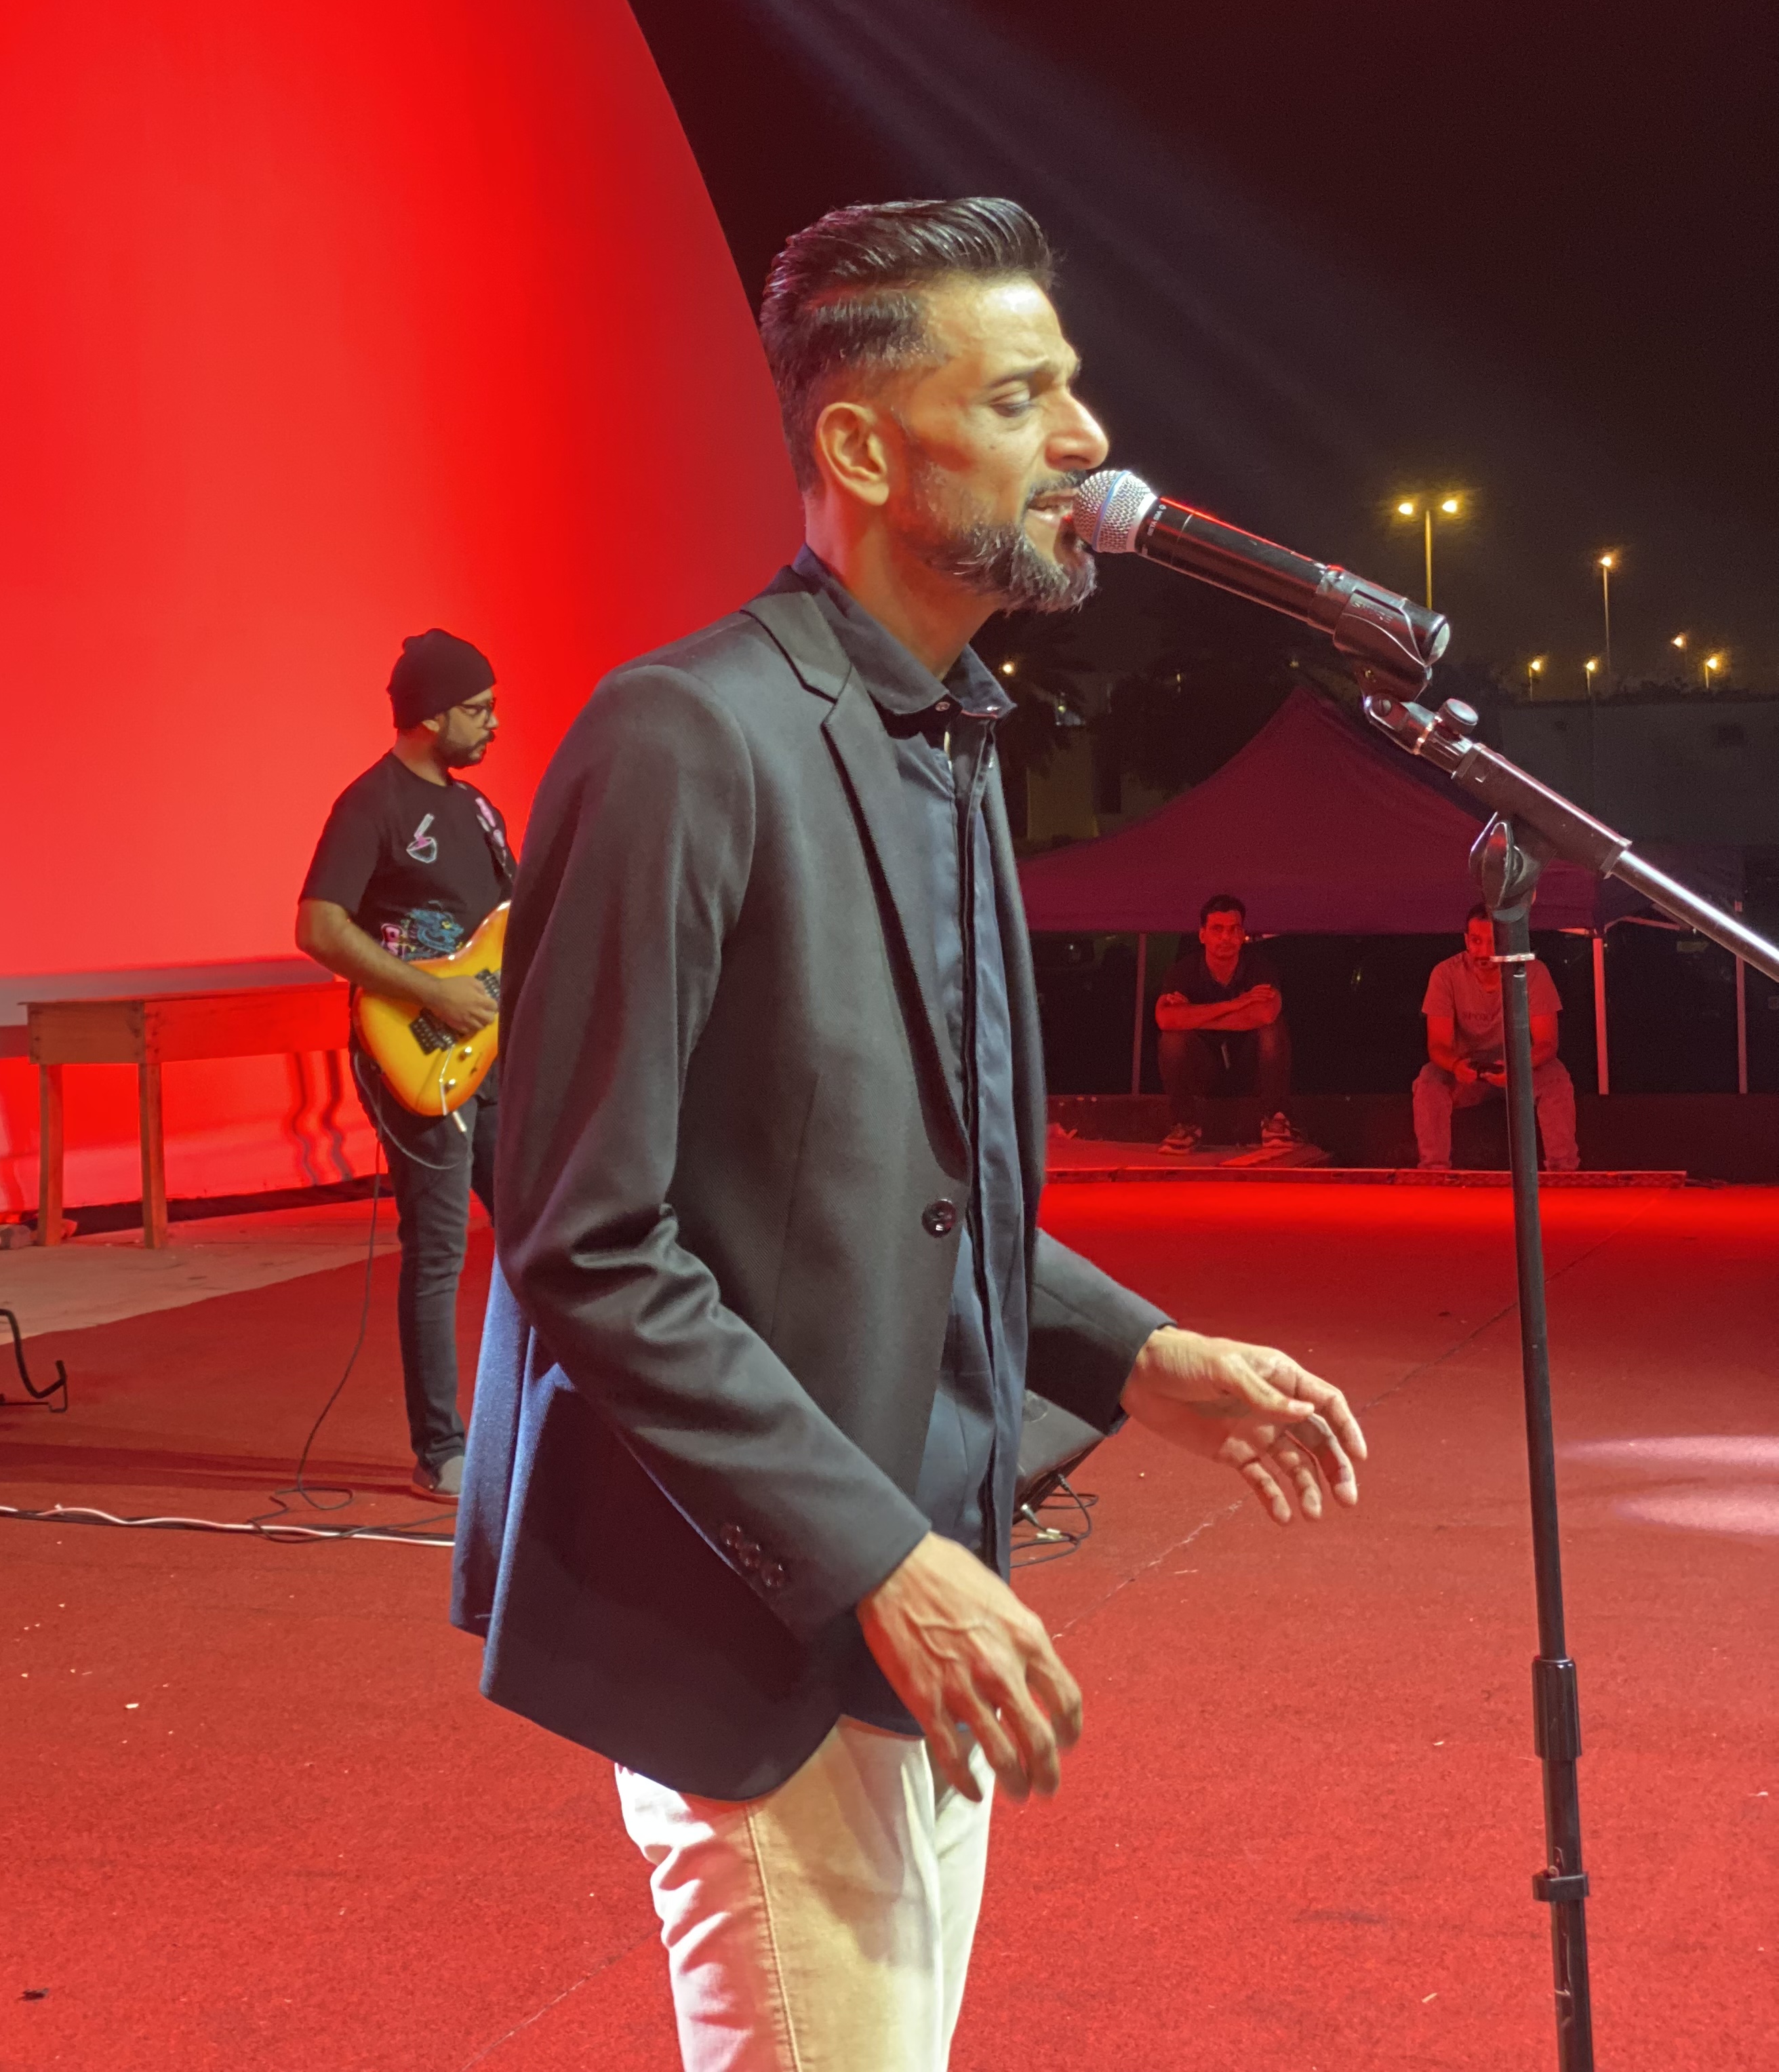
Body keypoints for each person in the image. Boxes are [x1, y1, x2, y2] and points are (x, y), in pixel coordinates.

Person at [454, 199, 1367, 2072]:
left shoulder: (941, 734)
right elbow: (582, 1237)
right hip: (766, 1628)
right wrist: (876, 1552)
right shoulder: (685, 735)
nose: (1087, 441)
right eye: (1023, 396)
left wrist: (1141, 1356)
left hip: (910, 1601)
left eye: (1070, 389)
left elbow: (910, 1189)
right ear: (865, 450)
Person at [296, 630, 513, 1496]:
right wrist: (432, 995)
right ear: (429, 715)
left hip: (493, 1055)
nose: (494, 723)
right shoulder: (371, 806)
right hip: (417, 1054)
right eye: (477, 709)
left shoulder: (481, 811)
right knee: (438, 1251)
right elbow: (319, 927)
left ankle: (531, 1430)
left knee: (541, 1233)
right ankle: (441, 1451)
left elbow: (510, 928)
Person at [1415, 903, 1580, 1172]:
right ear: (1466, 940)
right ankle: (1434, 1169)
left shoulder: (1532, 972)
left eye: (1493, 942)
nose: (1484, 951)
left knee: (1556, 1078)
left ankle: (1563, 1170)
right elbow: (1438, 1045)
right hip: (1468, 1072)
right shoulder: (1445, 974)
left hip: (1521, 1069)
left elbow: (1547, 1043)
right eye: (1477, 941)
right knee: (1428, 1080)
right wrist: (1456, 1066)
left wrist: (1518, 1068)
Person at [1153, 892, 1295, 1154]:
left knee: (1273, 1030)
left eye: (1233, 930)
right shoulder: (1184, 971)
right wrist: (1236, 1005)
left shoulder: (1260, 968)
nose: (1226, 937)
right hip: (1205, 1068)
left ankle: (1275, 1119)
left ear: (1242, 934)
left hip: (1250, 1066)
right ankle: (1185, 1125)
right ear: (1203, 935)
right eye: (1217, 929)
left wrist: (1194, 1016)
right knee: (1172, 1040)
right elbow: (1165, 1019)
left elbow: (1266, 1014)